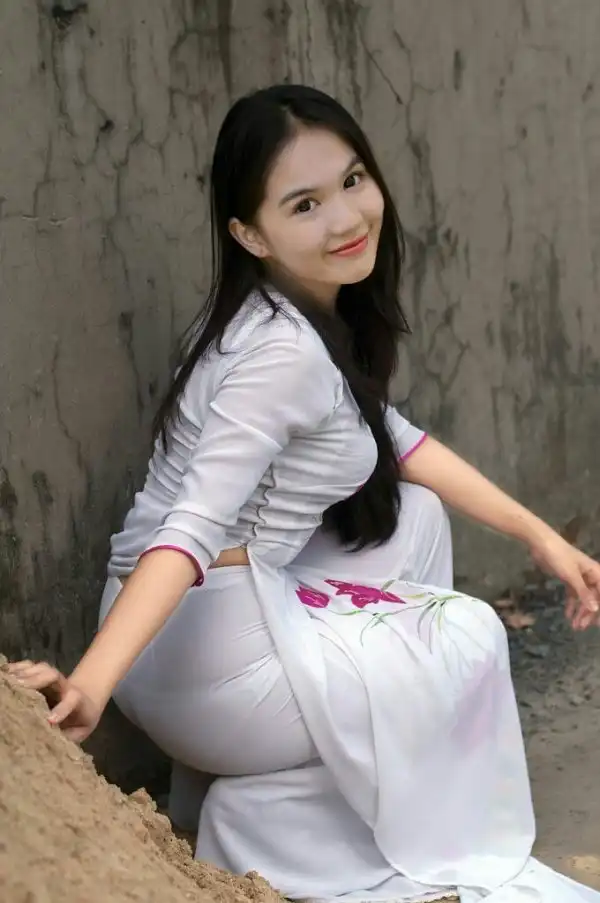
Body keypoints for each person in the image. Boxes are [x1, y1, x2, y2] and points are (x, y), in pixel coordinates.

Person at [8, 85, 600, 903]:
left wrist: (543, 538)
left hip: (191, 637)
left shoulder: (268, 313)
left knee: (414, 517)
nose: (346, 218)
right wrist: (90, 683)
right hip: (202, 659)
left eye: (353, 180)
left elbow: (399, 442)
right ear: (249, 233)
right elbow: (190, 527)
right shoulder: (282, 356)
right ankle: (267, 812)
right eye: (305, 204)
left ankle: (288, 774)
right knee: (467, 638)